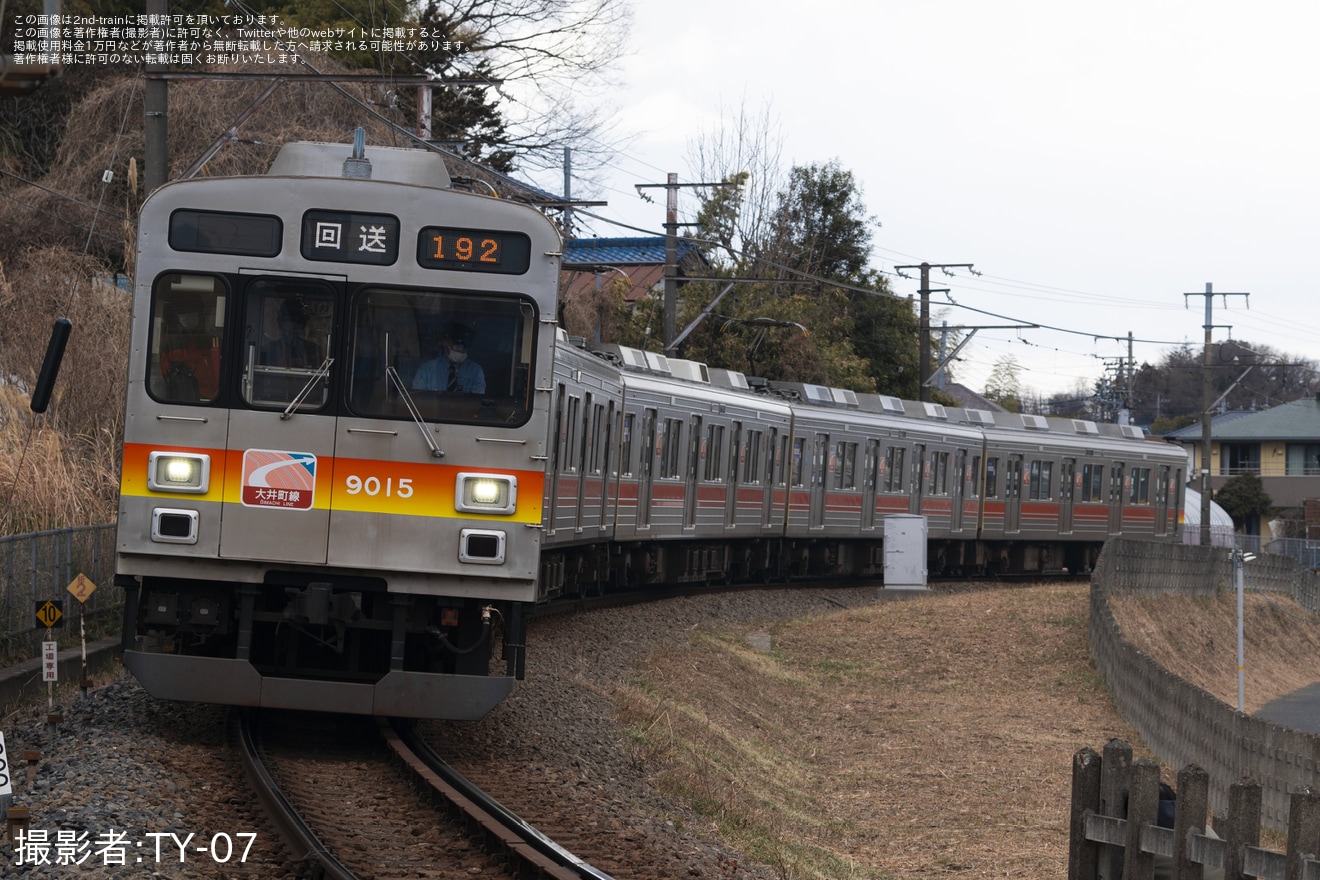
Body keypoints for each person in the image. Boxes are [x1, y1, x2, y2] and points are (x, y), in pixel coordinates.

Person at [159, 292, 220, 401]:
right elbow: (163, 377)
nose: (189, 314)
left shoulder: (212, 342)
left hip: (209, 404)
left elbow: (217, 378)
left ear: (201, 311)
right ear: (176, 313)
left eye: (193, 309)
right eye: (183, 309)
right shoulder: (168, 344)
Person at [412, 323, 485, 394]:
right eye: (457, 345)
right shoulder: (426, 371)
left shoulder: (475, 372)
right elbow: (418, 400)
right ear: (444, 343)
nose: (460, 350)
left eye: (464, 347)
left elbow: (477, 402)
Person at [262, 298, 321, 368]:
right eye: (287, 330)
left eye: (294, 330)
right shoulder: (268, 350)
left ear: (302, 328)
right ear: (280, 324)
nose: (290, 335)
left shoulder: (313, 350)